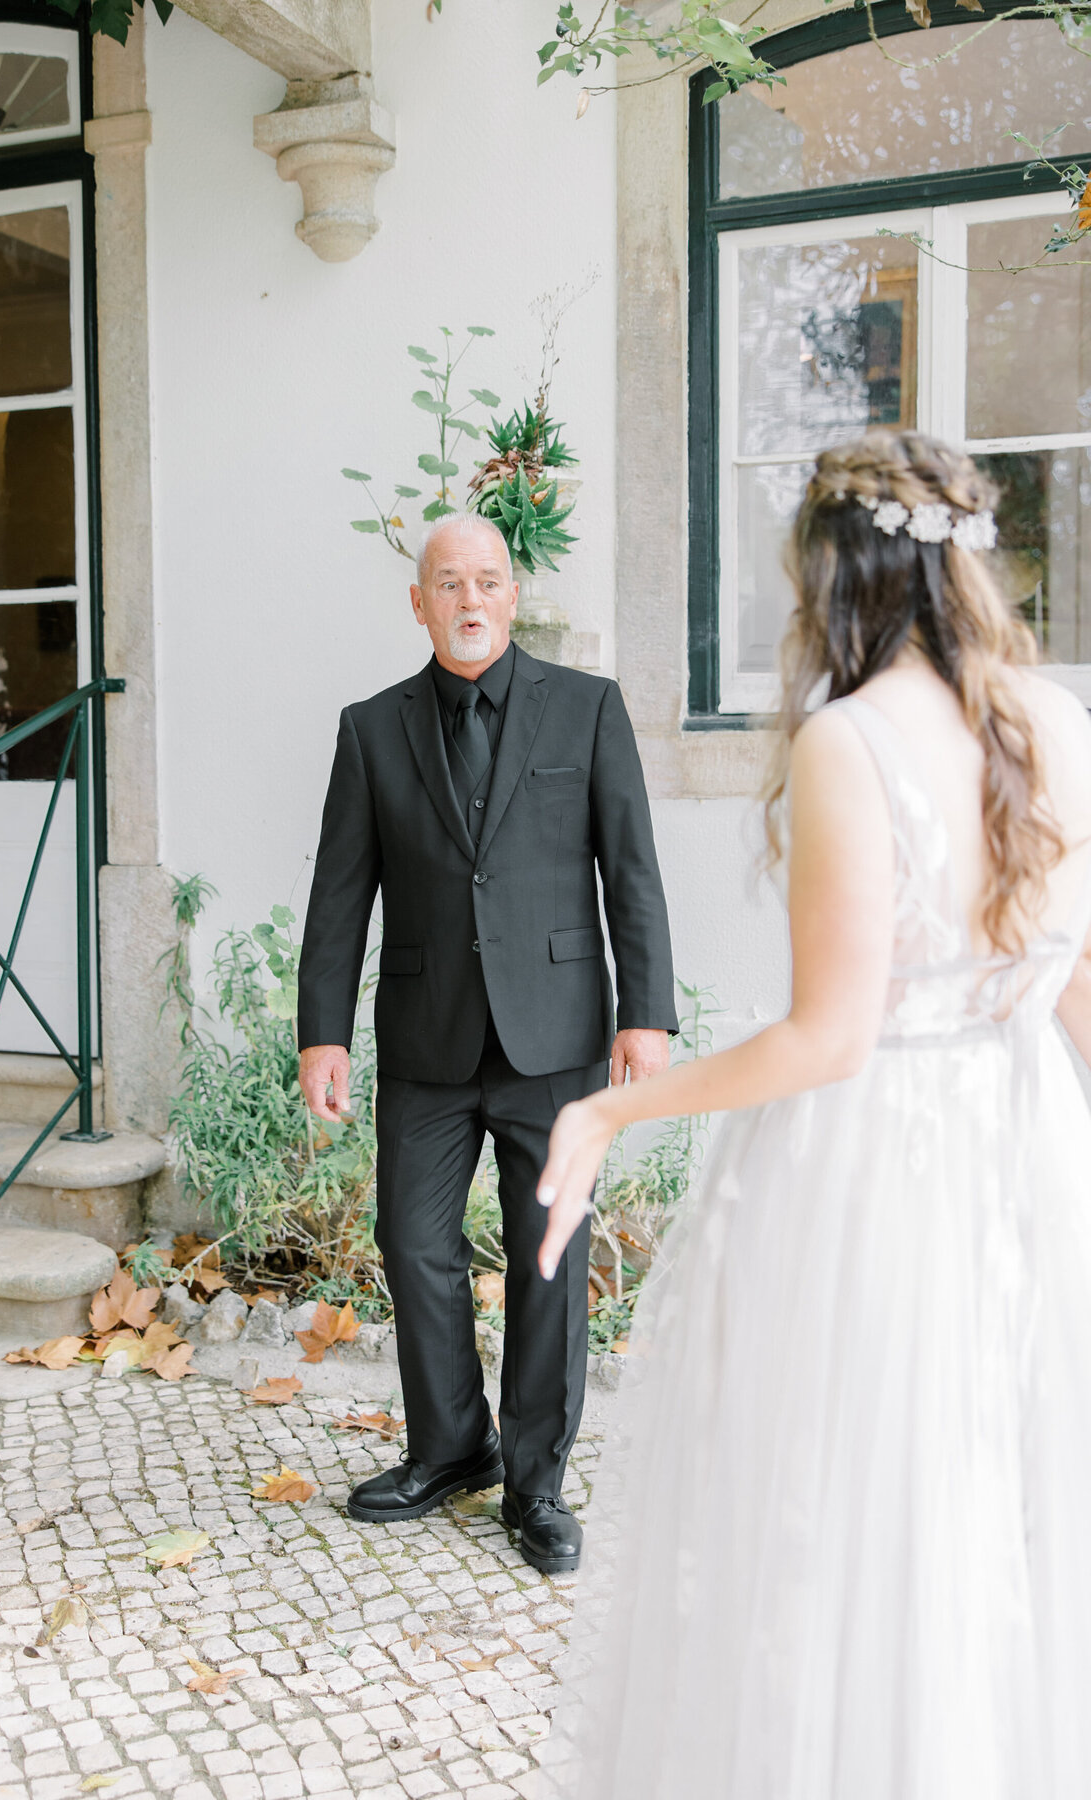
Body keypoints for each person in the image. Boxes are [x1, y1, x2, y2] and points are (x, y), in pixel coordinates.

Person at [534, 430, 1091, 1797]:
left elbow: (831, 1039)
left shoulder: (851, 741)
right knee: (1003, 1506)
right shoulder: (1061, 720)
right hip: (1026, 1151)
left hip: (880, 1181)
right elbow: (1078, 994)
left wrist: (614, 1116)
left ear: (840, 580)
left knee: (855, 1517)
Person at [297, 512, 676, 1575]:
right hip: (426, 1038)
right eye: (447, 583)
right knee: (413, 1244)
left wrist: (644, 1013)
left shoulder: (589, 711)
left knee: (546, 1256)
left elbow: (631, 872)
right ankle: (452, 1448)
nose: (469, 599)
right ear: (418, 603)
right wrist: (319, 1035)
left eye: (488, 581)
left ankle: (538, 1483)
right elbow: (338, 896)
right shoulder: (373, 729)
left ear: (514, 595)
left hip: (555, 1038)